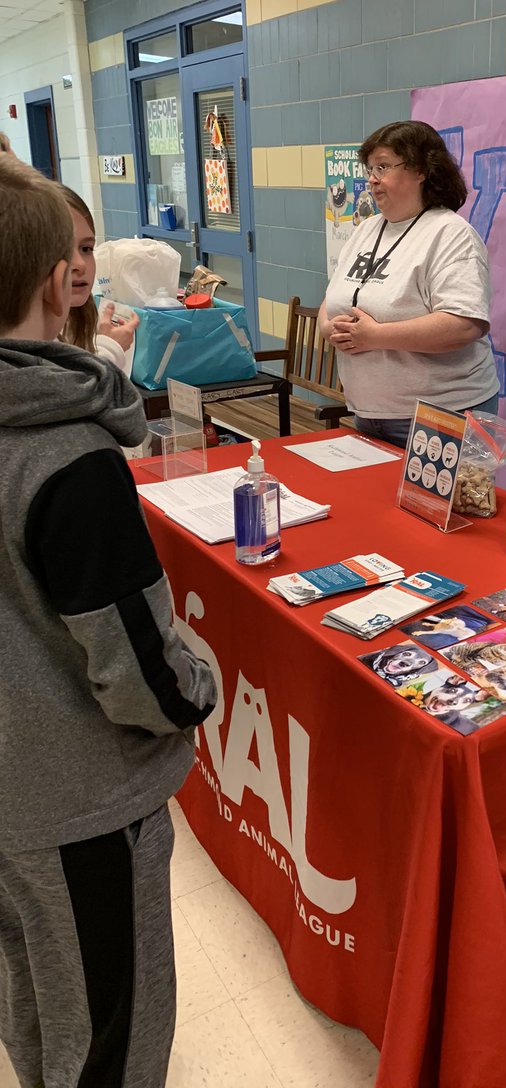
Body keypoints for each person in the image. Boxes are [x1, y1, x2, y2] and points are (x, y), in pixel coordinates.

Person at [0, 157, 217, 1087]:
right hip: (76, 802)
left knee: (36, 995)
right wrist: (198, 683)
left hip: (14, 794)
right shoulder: (66, 456)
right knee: (107, 1036)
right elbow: (141, 675)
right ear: (60, 281)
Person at [318, 121, 500, 447]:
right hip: (369, 413)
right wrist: (328, 328)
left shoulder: (450, 234)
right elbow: (334, 296)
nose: (372, 179)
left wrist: (375, 336)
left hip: (440, 417)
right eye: (370, 169)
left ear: (420, 170)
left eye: (383, 167)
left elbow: (464, 325)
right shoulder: (366, 230)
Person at [59, 185, 139, 369]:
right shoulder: (22, 333)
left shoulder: (81, 314)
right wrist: (110, 348)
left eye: (86, 248)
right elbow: (71, 384)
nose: (80, 264)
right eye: (61, 249)